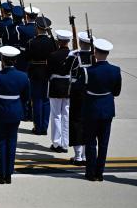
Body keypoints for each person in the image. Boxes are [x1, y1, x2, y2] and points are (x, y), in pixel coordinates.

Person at [78, 39, 122, 182]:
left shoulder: (87, 71)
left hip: (91, 110)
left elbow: (79, 89)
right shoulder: (115, 70)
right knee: (104, 143)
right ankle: (99, 173)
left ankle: (90, 172)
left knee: (90, 143)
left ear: (95, 53)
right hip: (107, 109)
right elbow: (116, 92)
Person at [0, 45, 30, 184]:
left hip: (0, 112)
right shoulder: (23, 76)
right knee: (12, 142)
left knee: (0, 142)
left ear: (2, 60)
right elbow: (26, 97)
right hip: (15, 112)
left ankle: (1, 174)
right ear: (16, 60)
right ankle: (9, 174)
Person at [26, 14, 56, 135]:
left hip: (35, 73)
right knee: (46, 100)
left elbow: (27, 57)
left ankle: (37, 127)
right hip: (48, 72)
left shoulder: (32, 42)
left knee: (37, 100)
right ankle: (44, 127)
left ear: (37, 28)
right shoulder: (52, 42)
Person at [68, 31, 95, 165]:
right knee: (88, 124)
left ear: (80, 42)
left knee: (76, 123)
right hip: (91, 95)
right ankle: (85, 155)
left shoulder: (74, 57)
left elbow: (69, 74)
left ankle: (78, 156)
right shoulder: (95, 58)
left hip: (78, 94)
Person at [47, 29, 75, 153]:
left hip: (55, 86)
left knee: (56, 115)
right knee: (66, 115)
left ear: (59, 41)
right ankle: (65, 143)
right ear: (68, 41)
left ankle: (56, 143)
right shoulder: (74, 55)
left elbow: (48, 72)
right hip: (68, 86)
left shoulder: (53, 55)